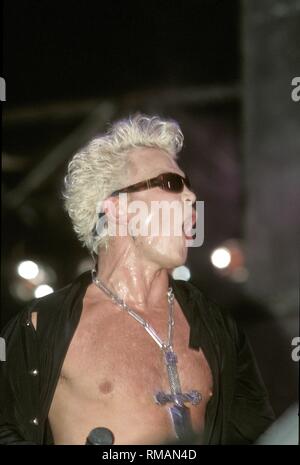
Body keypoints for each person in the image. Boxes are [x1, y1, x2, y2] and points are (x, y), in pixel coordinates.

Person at [0, 114, 275, 445]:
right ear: (117, 208)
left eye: (190, 187)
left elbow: (259, 436)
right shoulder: (41, 327)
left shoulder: (217, 325)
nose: (190, 198)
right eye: (172, 184)